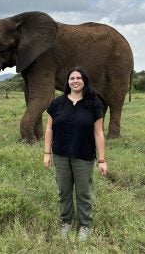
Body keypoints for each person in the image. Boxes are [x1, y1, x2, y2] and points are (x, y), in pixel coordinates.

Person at [44, 66, 107, 241]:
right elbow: (49, 128)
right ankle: (66, 222)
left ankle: (85, 225)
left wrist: (101, 159)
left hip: (84, 156)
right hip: (61, 155)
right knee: (63, 191)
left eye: (79, 78)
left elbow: (99, 133)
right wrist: (46, 153)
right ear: (68, 82)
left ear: (84, 81)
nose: (75, 81)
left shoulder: (94, 104)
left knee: (83, 193)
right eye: (72, 78)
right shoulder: (57, 103)